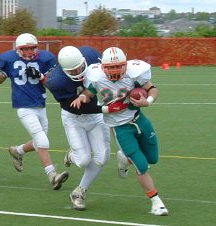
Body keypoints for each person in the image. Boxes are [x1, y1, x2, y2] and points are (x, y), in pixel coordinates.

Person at [26, 45, 129, 210]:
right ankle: (73, 155)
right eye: (72, 71)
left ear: (83, 60)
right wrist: (110, 108)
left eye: (80, 67)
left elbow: (107, 72)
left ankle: (79, 191)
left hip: (96, 116)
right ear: (64, 70)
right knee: (83, 161)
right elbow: (77, 107)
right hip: (74, 117)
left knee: (102, 158)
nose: (78, 71)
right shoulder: (56, 81)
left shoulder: (90, 54)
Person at [71, 47, 169, 216]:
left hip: (139, 120)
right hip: (120, 128)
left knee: (153, 158)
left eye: (118, 66)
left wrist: (149, 101)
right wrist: (82, 97)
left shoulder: (134, 73)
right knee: (142, 165)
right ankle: (156, 202)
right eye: (110, 67)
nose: (115, 70)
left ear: (126, 64)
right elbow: (89, 93)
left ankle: (123, 158)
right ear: (102, 67)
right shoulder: (95, 77)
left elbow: (153, 88)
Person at [0, 33, 69, 190]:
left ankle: (17, 151)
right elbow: (1, 79)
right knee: (42, 141)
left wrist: (40, 76)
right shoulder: (9, 59)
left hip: (40, 105)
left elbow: (52, 84)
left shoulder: (45, 59)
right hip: (24, 107)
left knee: (38, 142)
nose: (29, 52)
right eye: (25, 49)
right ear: (18, 49)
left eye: (32, 48)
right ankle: (52, 175)